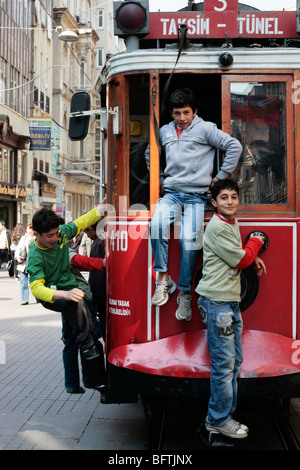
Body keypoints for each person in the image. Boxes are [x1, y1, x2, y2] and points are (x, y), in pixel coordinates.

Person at [147, 88, 243, 321]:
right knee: (157, 223)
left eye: (186, 112)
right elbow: (151, 153)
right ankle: (162, 279)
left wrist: (220, 176)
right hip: (171, 194)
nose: (182, 118)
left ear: (195, 111)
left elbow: (234, 146)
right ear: (171, 113)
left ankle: (184, 293)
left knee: (190, 241)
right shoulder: (165, 131)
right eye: (177, 113)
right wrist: (158, 180)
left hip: (196, 196)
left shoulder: (205, 128)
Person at [196, 179, 267, 439]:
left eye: (234, 197)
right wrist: (256, 242)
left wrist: (250, 254)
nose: (229, 202)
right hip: (218, 304)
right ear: (214, 203)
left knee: (233, 362)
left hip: (228, 302)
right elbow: (241, 259)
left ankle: (225, 417)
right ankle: (217, 420)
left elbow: (238, 254)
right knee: (224, 365)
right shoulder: (217, 226)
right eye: (223, 197)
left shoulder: (230, 222)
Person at [26, 202, 107, 391]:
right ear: (36, 234)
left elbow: (80, 223)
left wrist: (101, 210)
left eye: (56, 234)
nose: (55, 238)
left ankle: (79, 382)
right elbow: (37, 288)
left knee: (77, 334)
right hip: (52, 295)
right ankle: (92, 375)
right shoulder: (36, 255)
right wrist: (65, 294)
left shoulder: (61, 233)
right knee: (80, 316)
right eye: (49, 236)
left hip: (70, 288)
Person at [62, 249, 106, 394]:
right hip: (78, 296)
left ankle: (71, 383)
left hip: (64, 297)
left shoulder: (43, 250)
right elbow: (77, 261)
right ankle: (95, 381)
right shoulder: (59, 246)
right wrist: (103, 263)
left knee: (70, 341)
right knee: (89, 336)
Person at [84, 223, 106, 339]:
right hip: (104, 293)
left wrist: (95, 299)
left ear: (91, 229)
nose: (87, 236)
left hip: (101, 295)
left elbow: (96, 274)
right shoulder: (103, 239)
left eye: (87, 232)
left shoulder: (98, 243)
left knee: (104, 327)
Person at [15, 223, 35, 305]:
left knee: (34, 282)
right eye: (27, 228)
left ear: (33, 230)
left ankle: (39, 297)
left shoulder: (36, 239)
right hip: (23, 263)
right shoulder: (23, 238)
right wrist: (17, 257)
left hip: (33, 263)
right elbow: (18, 249)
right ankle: (24, 299)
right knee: (23, 282)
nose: (27, 230)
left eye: (29, 228)